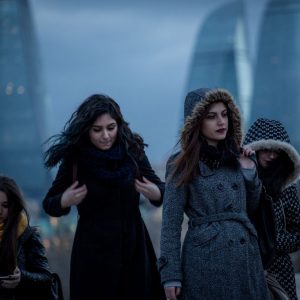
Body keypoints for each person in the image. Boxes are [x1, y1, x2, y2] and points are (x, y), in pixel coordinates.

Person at [42, 94, 166, 300]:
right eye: (97, 130)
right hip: (92, 252)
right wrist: (65, 200)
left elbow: (161, 190)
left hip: (133, 248)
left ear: (119, 125)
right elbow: (49, 204)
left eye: (111, 127)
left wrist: (155, 193)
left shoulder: (132, 150)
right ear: (86, 130)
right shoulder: (76, 158)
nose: (106, 136)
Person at [158, 88, 271, 300]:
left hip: (246, 259)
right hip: (205, 259)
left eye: (224, 114)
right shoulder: (181, 163)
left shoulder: (238, 157)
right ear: (196, 122)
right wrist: (170, 274)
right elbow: (171, 223)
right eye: (211, 116)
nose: (221, 122)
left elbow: (251, 209)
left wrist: (249, 171)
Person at [244, 118, 300, 300]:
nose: (271, 156)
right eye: (266, 149)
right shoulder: (239, 183)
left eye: (277, 151)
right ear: (256, 149)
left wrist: (274, 243)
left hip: (280, 272)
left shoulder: (287, 188)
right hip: (243, 267)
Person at [0, 175, 52, 300]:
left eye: (5, 205)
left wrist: (22, 277)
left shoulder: (28, 236)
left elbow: (46, 278)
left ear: (13, 205)